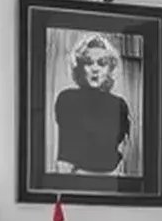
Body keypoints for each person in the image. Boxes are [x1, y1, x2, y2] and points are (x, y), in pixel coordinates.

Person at [50, 31, 134, 176]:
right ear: (79, 66)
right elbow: (64, 158)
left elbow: (122, 150)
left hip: (112, 178)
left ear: (110, 69)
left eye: (102, 63)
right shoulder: (67, 99)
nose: (95, 69)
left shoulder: (119, 105)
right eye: (88, 62)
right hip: (77, 178)